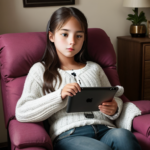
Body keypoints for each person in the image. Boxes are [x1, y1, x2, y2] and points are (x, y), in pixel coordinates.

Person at [15, 7, 141, 150]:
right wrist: (59, 95)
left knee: (124, 136)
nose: (72, 42)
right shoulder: (40, 70)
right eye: (64, 34)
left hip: (106, 129)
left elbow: (113, 96)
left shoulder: (95, 68)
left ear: (84, 38)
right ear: (51, 36)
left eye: (79, 36)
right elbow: (22, 112)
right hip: (70, 135)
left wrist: (114, 108)